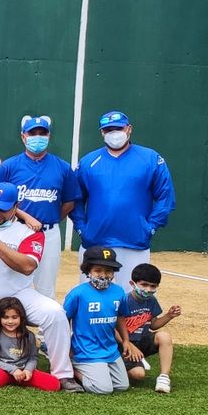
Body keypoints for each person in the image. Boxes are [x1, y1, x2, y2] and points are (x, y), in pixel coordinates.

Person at [0, 183, 78, 390]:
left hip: (18, 297)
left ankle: (63, 373)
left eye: (3, 208)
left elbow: (27, 267)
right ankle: (13, 369)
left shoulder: (28, 232)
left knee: (54, 313)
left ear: (16, 206)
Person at [74, 110, 176, 290]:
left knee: (132, 298)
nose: (114, 133)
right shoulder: (88, 161)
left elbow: (165, 197)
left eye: (118, 128)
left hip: (134, 242)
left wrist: (150, 227)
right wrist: (83, 229)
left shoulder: (151, 159)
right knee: (91, 297)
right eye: (108, 130)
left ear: (129, 129)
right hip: (95, 241)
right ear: (102, 133)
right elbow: (75, 199)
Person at [0, 114, 78, 298]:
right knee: (9, 283)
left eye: (42, 133)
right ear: (23, 136)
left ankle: (42, 327)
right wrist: (24, 218)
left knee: (45, 288)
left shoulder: (62, 167)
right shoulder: (8, 166)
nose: (37, 137)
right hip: (15, 230)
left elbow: (69, 202)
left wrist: (51, 219)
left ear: (49, 136)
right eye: (32, 133)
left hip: (48, 233)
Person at [61, 247, 133, 394]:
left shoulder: (119, 291)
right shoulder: (78, 293)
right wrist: (66, 347)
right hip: (86, 350)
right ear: (88, 271)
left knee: (121, 386)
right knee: (103, 389)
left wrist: (126, 340)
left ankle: (98, 370)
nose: (103, 275)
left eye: (108, 271)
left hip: (110, 349)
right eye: (98, 270)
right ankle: (74, 369)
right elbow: (64, 320)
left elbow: (120, 316)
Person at [0, 297, 62, 391]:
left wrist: (28, 370)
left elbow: (32, 358)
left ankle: (19, 378)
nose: (10, 321)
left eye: (14, 317)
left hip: (23, 370)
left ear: (21, 317)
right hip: (3, 370)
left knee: (54, 384)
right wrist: (12, 370)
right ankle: (8, 377)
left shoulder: (29, 336)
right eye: (5, 317)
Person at [123, 263, 179, 393]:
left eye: (153, 286)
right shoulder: (124, 301)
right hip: (123, 344)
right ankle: (117, 370)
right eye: (144, 285)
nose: (148, 289)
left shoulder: (151, 300)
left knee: (164, 336)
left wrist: (169, 316)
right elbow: (114, 329)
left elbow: (153, 325)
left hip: (141, 342)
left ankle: (164, 377)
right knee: (138, 375)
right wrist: (129, 346)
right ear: (133, 283)